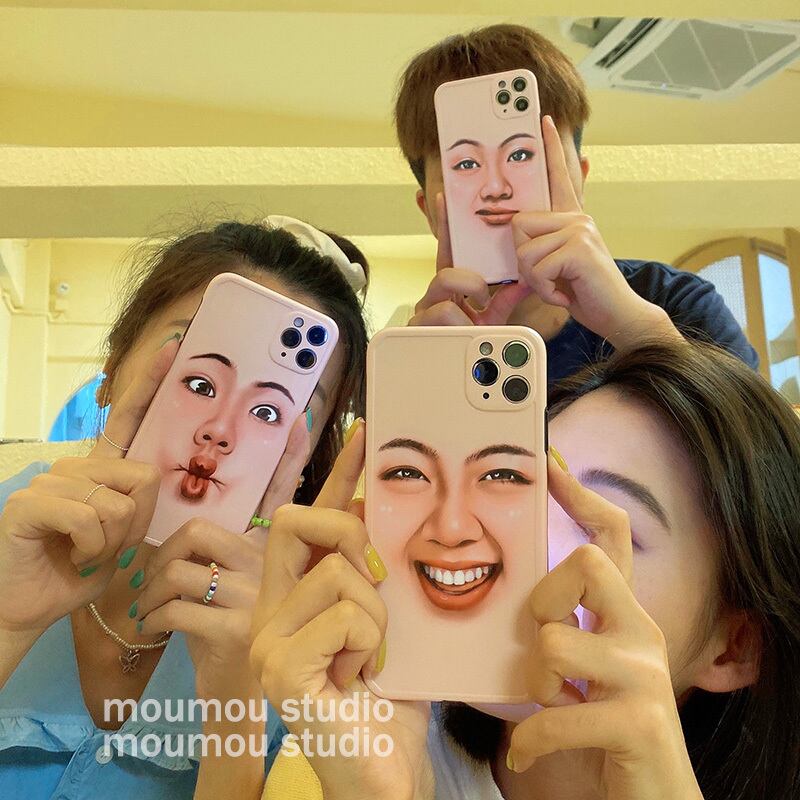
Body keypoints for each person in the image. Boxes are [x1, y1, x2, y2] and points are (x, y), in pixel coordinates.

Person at [250, 338, 800, 800]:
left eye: (602, 523)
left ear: (733, 648)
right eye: (516, 482)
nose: (475, 532)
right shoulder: (357, 742)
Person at [0, 217, 370, 800]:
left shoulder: (307, 628)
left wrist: (235, 697)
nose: (220, 431)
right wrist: (6, 627)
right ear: (112, 369)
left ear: (304, 457)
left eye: (269, 412)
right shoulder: (13, 527)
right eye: (198, 382)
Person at [394, 24, 759, 384]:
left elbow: (761, 427)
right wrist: (424, 386)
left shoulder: (678, 304)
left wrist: (639, 332)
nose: (496, 188)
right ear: (429, 211)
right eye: (465, 164)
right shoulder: (408, 360)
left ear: (578, 179)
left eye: (522, 155)